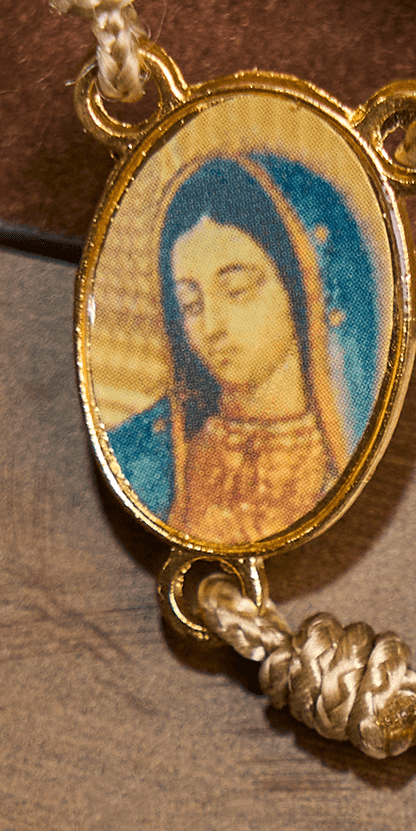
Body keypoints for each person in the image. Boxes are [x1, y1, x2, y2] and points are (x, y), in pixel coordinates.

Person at [107, 152, 381, 546]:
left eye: (237, 290)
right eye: (190, 304)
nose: (211, 327)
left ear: (303, 289)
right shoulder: (140, 458)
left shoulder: (347, 455)